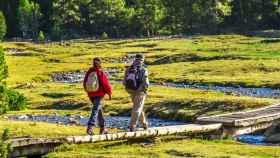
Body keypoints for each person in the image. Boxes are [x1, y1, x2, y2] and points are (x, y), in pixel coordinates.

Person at [83, 57, 112, 135]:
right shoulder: (100, 72)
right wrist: (109, 93)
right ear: (100, 63)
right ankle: (90, 127)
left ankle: (103, 128)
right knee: (95, 109)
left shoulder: (89, 71)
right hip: (99, 94)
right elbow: (106, 84)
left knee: (98, 109)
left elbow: (84, 82)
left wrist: (88, 91)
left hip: (91, 94)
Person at [123, 54, 149, 132]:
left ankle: (144, 124)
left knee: (138, 107)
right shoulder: (143, 70)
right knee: (137, 108)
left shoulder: (128, 69)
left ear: (135, 59)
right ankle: (132, 126)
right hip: (140, 91)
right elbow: (146, 83)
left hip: (130, 90)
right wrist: (145, 91)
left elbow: (124, 81)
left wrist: (129, 88)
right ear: (142, 60)